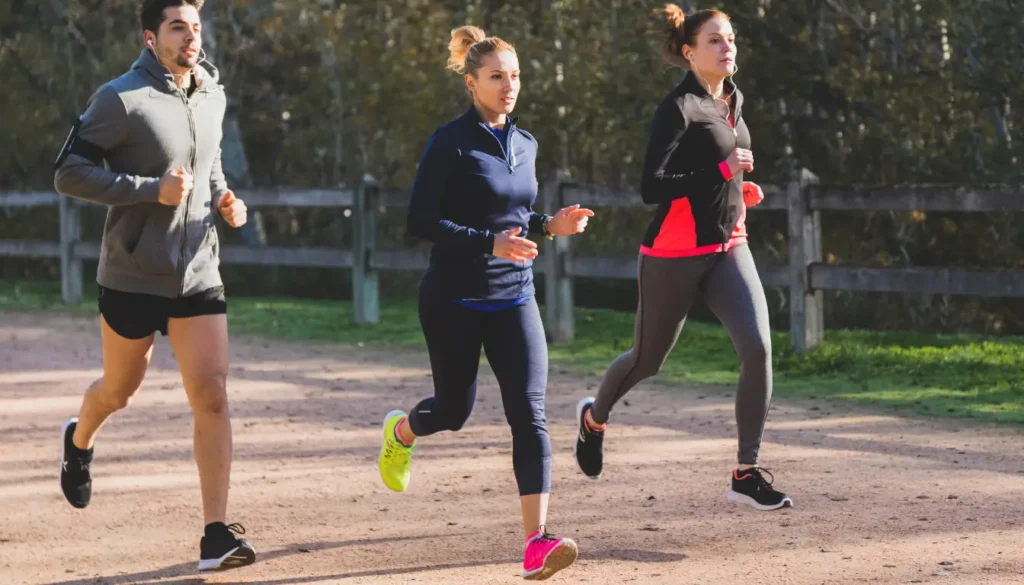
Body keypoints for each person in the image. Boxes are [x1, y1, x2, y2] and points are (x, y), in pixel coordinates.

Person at [377, 25, 594, 581]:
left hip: (514, 295)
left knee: (531, 414)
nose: (509, 86)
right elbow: (419, 220)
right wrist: (487, 242)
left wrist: (550, 225)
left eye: (515, 75)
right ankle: (403, 432)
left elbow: (517, 217)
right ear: (472, 83)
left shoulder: (526, 144)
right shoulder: (449, 141)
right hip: (452, 297)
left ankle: (536, 542)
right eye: (497, 76)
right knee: (453, 412)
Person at [53, 0, 256, 570]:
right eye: (177, 27)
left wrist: (223, 198)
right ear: (150, 37)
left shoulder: (212, 91)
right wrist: (149, 189)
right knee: (118, 391)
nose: (190, 36)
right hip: (133, 273)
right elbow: (67, 172)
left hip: (197, 270)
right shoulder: (120, 98)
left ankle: (215, 535)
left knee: (212, 395)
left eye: (195, 26)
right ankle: (80, 439)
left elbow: (209, 164)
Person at [572, 5, 793, 512]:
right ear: (690, 52)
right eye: (715, 40)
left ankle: (747, 470)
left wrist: (740, 189)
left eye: (731, 38)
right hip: (672, 255)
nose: (727, 47)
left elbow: (722, 170)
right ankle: (595, 417)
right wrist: (720, 172)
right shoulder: (679, 107)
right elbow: (652, 186)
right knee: (647, 361)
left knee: (758, 346)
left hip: (728, 246)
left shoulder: (734, 98)